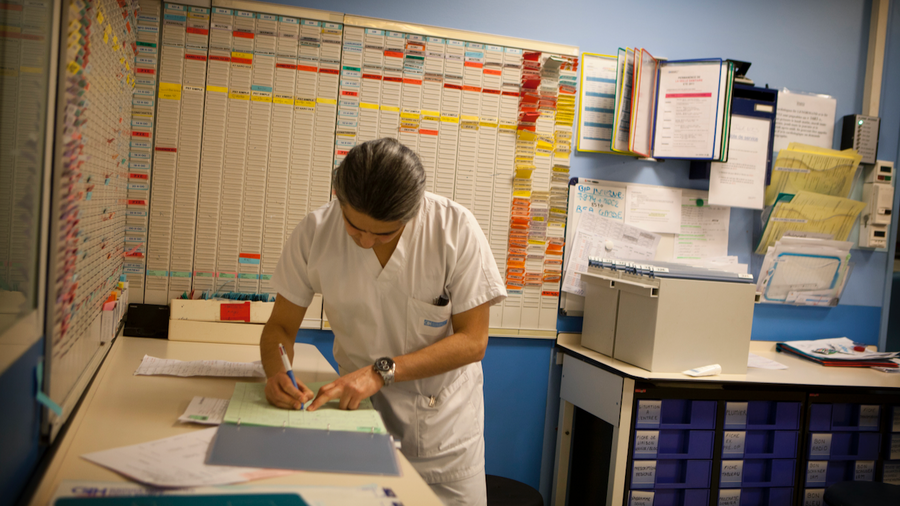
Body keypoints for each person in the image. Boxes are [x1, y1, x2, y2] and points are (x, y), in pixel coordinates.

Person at [260, 137, 507, 506]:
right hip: (355, 420)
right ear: (338, 198)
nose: (364, 242)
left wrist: (380, 372)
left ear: (413, 212)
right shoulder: (315, 232)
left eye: (383, 233)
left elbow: (474, 341)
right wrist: (275, 371)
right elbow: (280, 327)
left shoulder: (454, 230)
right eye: (354, 226)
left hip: (442, 434)